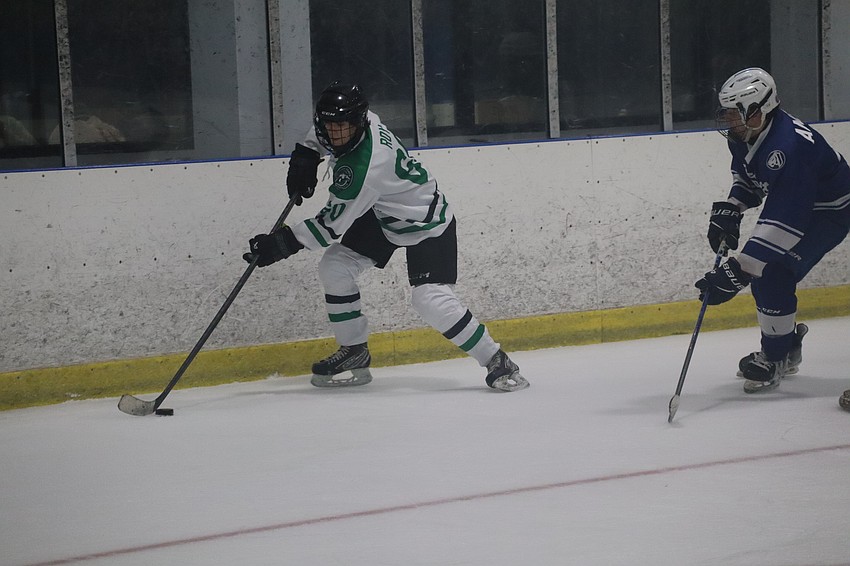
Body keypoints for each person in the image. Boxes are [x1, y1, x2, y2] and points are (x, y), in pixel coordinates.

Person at [244, 81, 529, 392]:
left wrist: (280, 244)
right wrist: (306, 154)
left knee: (429, 299)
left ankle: (497, 360)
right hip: (383, 212)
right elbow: (328, 132)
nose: (335, 133)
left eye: (342, 126)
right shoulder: (366, 119)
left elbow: (328, 228)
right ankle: (354, 351)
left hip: (424, 221)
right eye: (329, 125)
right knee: (335, 267)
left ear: (357, 122)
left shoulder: (364, 169)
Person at [695, 67, 850, 394]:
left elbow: (787, 220)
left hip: (831, 212)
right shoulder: (746, 133)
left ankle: (778, 356)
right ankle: (786, 348)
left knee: (772, 271)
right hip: (804, 206)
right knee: (768, 272)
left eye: (734, 114)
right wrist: (733, 208)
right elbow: (750, 178)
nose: (727, 121)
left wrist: (740, 269)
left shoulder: (790, 147)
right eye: (726, 113)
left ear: (758, 111)